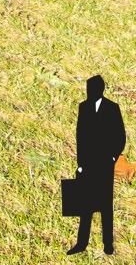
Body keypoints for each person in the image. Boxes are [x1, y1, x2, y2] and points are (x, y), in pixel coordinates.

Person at [73, 75, 126, 255]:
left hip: (104, 163)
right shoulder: (83, 107)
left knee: (105, 205)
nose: (90, 91)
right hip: (87, 163)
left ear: (100, 89)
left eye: (93, 87)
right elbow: (80, 137)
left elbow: (120, 136)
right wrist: (80, 163)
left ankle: (108, 244)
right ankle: (81, 243)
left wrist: (112, 157)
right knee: (85, 205)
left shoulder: (112, 108)